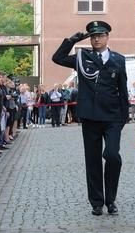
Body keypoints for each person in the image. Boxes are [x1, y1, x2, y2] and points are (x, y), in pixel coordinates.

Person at [52, 20, 128, 216]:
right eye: (93, 36)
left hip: (112, 117)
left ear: (107, 37)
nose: (96, 39)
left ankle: (111, 199)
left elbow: (123, 90)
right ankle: (97, 202)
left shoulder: (118, 60)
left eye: (100, 35)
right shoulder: (81, 57)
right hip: (90, 116)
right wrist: (71, 41)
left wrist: (123, 117)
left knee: (112, 155)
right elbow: (57, 58)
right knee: (92, 160)